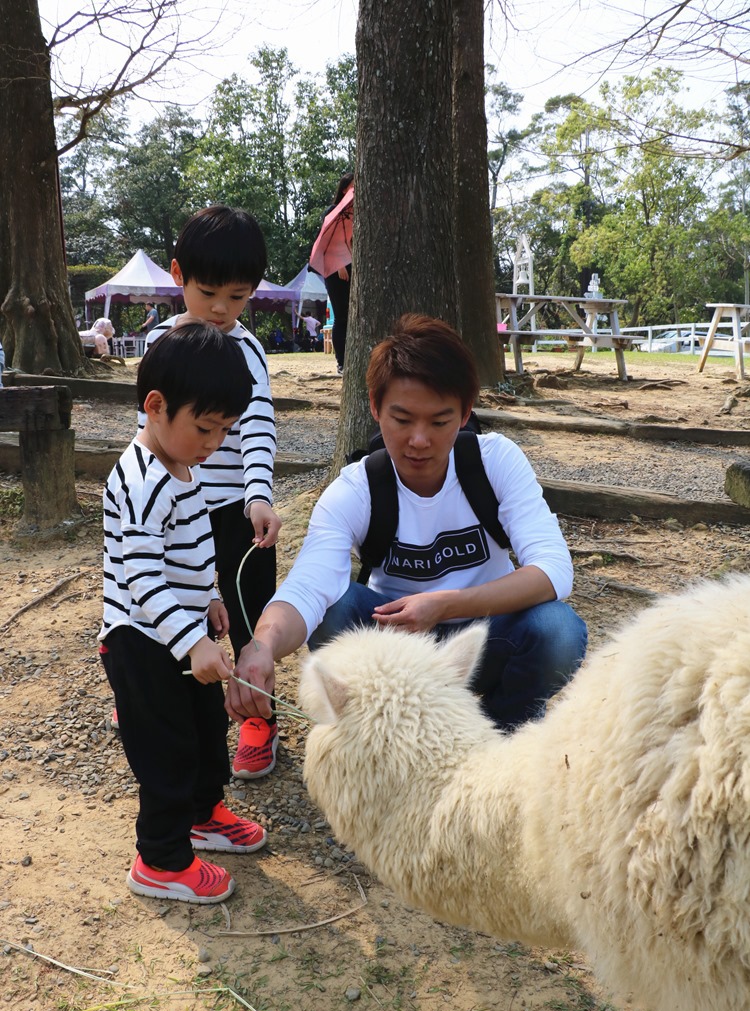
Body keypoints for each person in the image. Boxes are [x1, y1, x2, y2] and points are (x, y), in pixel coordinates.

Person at [227, 314, 588, 736]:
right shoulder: (357, 488)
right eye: (402, 420)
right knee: (334, 610)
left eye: (439, 422)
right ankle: (383, 732)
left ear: (465, 412)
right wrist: (263, 645)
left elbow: (554, 570)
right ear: (376, 408)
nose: (420, 440)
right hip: (393, 645)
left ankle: (503, 734)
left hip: (483, 635)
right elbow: (309, 584)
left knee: (559, 631)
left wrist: (444, 605)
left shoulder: (495, 462)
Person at [99, 322, 268, 905]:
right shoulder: (143, 479)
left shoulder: (181, 465)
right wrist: (191, 642)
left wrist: (212, 600)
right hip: (142, 642)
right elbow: (142, 577)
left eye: (224, 431)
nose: (213, 444)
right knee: (165, 750)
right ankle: (160, 859)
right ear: (155, 405)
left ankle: (202, 815)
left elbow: (190, 552)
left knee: (203, 728)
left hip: (185, 630)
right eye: (205, 427)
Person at [144, 205, 282, 781]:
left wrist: (257, 494)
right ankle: (173, 704)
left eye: (238, 296)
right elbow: (146, 430)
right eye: (208, 293)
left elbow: (256, 427)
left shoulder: (246, 350)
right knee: (178, 607)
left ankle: (256, 714)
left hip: (233, 511)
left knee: (247, 610)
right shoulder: (160, 345)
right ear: (178, 275)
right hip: (177, 510)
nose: (222, 310)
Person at [320, 172, 353, 374]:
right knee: (341, 316)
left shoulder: (355, 214)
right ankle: (341, 362)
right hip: (335, 269)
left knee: (351, 316)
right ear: (344, 189)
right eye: (353, 186)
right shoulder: (333, 211)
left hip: (351, 268)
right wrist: (340, 264)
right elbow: (327, 241)